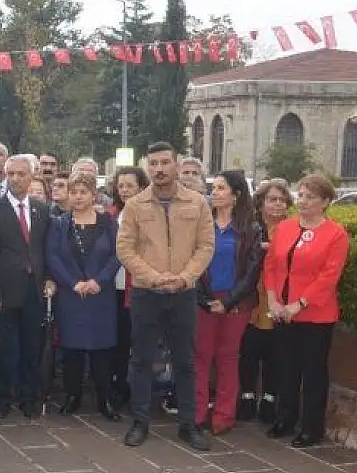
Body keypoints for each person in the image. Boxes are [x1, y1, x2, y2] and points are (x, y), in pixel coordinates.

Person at [116, 142, 214, 450]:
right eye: (154, 164)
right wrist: (155, 277)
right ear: (148, 167)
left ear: (176, 164)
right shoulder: (135, 205)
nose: (159, 169)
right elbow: (125, 249)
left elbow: (205, 246)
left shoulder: (197, 203)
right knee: (142, 360)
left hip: (184, 294)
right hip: (147, 292)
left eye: (165, 163)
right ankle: (140, 422)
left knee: (185, 361)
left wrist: (185, 278)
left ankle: (189, 424)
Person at [264, 174, 350, 448]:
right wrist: (273, 300)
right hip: (282, 311)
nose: (303, 201)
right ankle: (285, 418)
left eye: (310, 197)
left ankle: (312, 427)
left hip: (315, 315)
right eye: (300, 195)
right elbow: (271, 266)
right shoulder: (286, 228)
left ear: (325, 202)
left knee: (313, 371)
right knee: (286, 368)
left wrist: (298, 304)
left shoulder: (335, 234)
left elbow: (328, 276)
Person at [193, 171, 264, 435]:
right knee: (200, 356)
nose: (214, 192)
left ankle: (224, 415)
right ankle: (198, 413)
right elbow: (194, 263)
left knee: (227, 357)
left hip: (235, 302)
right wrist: (205, 299)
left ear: (236, 195)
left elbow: (252, 271)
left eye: (221, 188)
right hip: (204, 300)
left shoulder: (250, 229)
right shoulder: (202, 224)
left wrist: (229, 301)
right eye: (214, 188)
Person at [46, 172, 121, 420]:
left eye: (83, 192)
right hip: (71, 295)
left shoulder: (108, 223)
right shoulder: (59, 223)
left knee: (102, 350)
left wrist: (99, 281)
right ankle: (72, 396)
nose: (78, 197)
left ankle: (104, 399)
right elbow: (53, 257)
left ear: (93, 194)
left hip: (101, 295)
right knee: (72, 350)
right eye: (74, 192)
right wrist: (72, 282)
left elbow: (117, 255)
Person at [0, 154, 54, 419]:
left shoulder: (41, 209)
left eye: (20, 174)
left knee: (32, 346)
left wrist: (48, 277)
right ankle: (3, 397)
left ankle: (29, 397)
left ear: (31, 176)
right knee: (4, 348)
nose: (15, 179)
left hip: (34, 290)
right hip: (5, 290)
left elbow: (45, 249)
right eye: (11, 174)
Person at [238, 179, 292, 423]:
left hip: (279, 297)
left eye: (282, 200)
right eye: (272, 199)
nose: (278, 204)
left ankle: (270, 398)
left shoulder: (293, 228)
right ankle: (247, 397)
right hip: (251, 296)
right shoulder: (250, 227)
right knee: (248, 349)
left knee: (275, 351)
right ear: (260, 202)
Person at [108, 166, 150, 406]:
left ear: (142, 188)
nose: (124, 190)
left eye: (129, 186)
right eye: (120, 185)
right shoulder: (111, 214)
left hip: (138, 287)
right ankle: (118, 385)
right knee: (118, 340)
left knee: (138, 340)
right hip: (113, 286)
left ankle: (138, 391)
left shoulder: (148, 215)